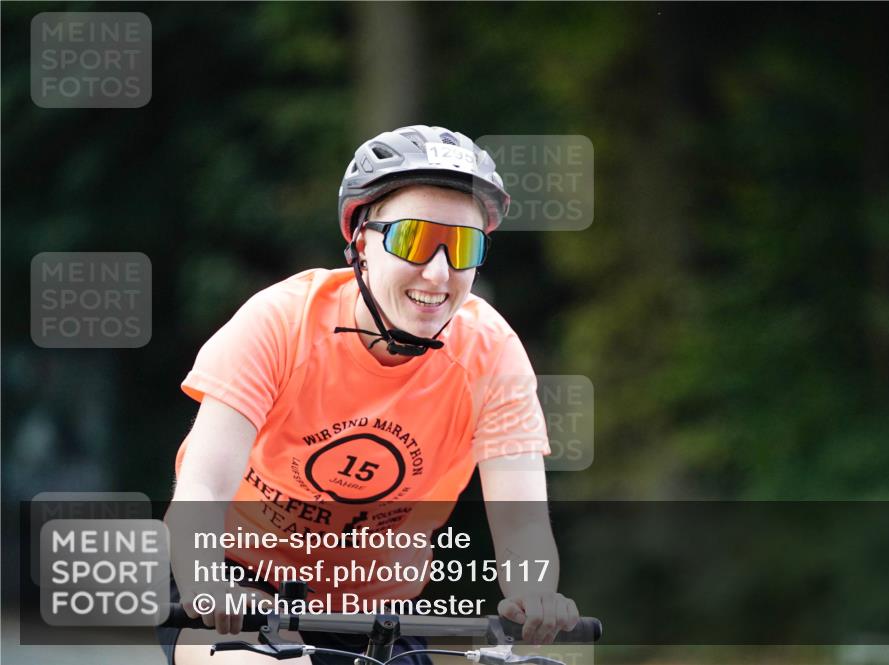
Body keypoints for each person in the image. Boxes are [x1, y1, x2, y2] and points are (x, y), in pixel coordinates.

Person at [159, 125, 579, 665]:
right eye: (414, 240)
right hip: (239, 587)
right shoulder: (280, 322)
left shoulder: (491, 352)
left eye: (463, 247)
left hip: (379, 615)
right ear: (361, 241)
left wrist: (535, 592)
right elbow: (203, 483)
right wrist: (203, 580)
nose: (438, 271)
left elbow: (521, 519)